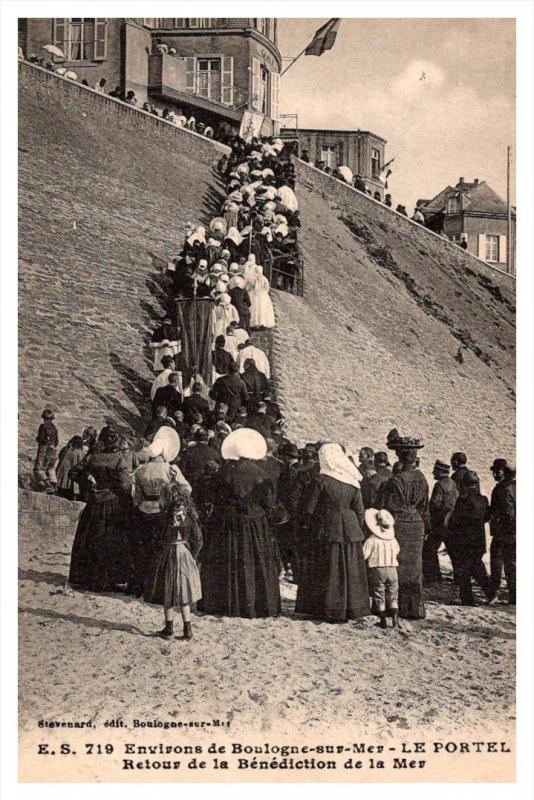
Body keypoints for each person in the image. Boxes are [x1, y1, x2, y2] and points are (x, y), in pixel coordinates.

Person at [200, 429, 281, 618]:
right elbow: (269, 503)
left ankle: (224, 603)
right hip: (254, 523)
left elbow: (214, 496)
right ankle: (256, 604)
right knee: (254, 562)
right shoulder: (261, 473)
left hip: (227, 522)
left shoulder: (224, 472)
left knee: (227, 561)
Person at [296, 443, 370, 622]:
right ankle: (352, 606)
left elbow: (308, 508)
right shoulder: (352, 480)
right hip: (350, 527)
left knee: (328, 568)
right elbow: (360, 510)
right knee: (349, 568)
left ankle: (327, 607)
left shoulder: (321, 480)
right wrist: (355, 528)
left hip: (327, 527)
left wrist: (309, 526)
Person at [68, 428, 132, 591]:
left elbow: (73, 472)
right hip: (111, 503)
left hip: (94, 503)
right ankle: (107, 580)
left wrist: (88, 482)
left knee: (89, 539)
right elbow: (125, 486)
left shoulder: (92, 457)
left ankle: (85, 578)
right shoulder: (119, 461)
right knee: (109, 540)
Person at [130, 430, 187, 596]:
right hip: (162, 510)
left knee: (143, 548)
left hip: (143, 509)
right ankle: (157, 586)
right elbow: (186, 489)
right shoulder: (171, 469)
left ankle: (140, 583)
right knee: (160, 548)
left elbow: (136, 494)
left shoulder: (141, 470)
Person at [144, 482, 203, 640]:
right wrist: (193, 556)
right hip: (184, 553)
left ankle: (169, 628)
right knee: (184, 593)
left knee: (168, 591)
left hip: (168, 552)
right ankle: (187, 629)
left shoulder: (163, 516)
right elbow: (198, 539)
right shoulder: (190, 516)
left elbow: (156, 538)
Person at [380, 431, 428, 619]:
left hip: (400, 524)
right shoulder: (422, 478)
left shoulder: (396, 480)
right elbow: (425, 506)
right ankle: (415, 607)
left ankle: (399, 606)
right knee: (415, 567)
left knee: (397, 565)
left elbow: (389, 507)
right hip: (417, 523)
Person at [446, 470, 492, 606]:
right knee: (478, 567)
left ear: (464, 484)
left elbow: (455, 521)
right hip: (479, 540)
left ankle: (467, 599)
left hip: (464, 541)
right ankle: (491, 593)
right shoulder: (483, 500)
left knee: (463, 571)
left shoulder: (462, 501)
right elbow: (487, 516)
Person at [423, 459, 459, 584]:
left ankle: (433, 577)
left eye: (435, 471)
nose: (433, 473)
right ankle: (459, 578)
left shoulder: (439, 485)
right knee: (453, 551)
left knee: (429, 550)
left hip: (439, 522)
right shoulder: (452, 483)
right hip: (450, 521)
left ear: (439, 471)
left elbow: (434, 504)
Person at [363, 508, 400, 628]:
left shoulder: (371, 540)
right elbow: (397, 551)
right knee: (393, 593)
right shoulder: (393, 540)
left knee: (379, 592)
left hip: (378, 568)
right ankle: (395, 620)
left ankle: (383, 620)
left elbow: (364, 555)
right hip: (393, 568)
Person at [488, 459, 516, 604]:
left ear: (504, 472)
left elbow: (508, 513)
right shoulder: (516, 486)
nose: (494, 474)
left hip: (505, 532)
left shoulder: (502, 489)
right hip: (511, 532)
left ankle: (495, 591)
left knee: (500, 562)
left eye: (497, 471)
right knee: (512, 564)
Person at [33, 408, 59, 490]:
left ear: (43, 417)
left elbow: (41, 439)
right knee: (50, 468)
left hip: (44, 449)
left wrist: (37, 439)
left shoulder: (43, 426)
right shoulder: (54, 428)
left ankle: (48, 485)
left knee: (38, 469)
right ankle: (54, 484)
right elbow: (57, 442)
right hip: (53, 449)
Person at [56, 435, 84, 500]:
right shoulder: (79, 452)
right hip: (72, 472)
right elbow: (81, 463)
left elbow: (60, 456)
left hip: (62, 471)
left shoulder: (65, 448)